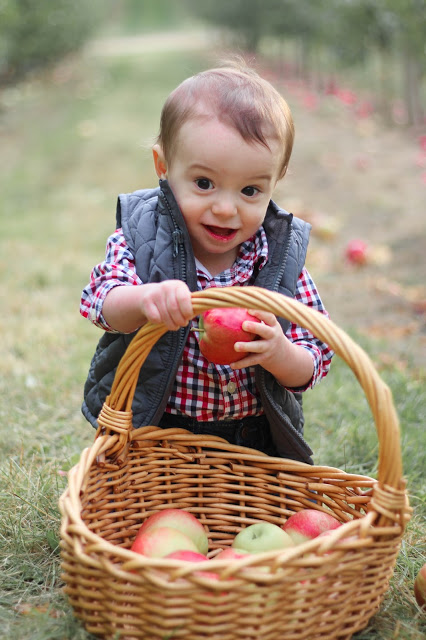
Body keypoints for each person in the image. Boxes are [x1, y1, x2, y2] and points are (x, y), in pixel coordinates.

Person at [80, 60, 334, 464]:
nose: (225, 208)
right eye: (204, 183)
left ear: (275, 181)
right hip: (155, 433)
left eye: (250, 190)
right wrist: (145, 299)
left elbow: (316, 357)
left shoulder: (280, 256)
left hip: (252, 443)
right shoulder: (144, 235)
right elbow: (102, 302)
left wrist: (279, 353)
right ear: (163, 166)